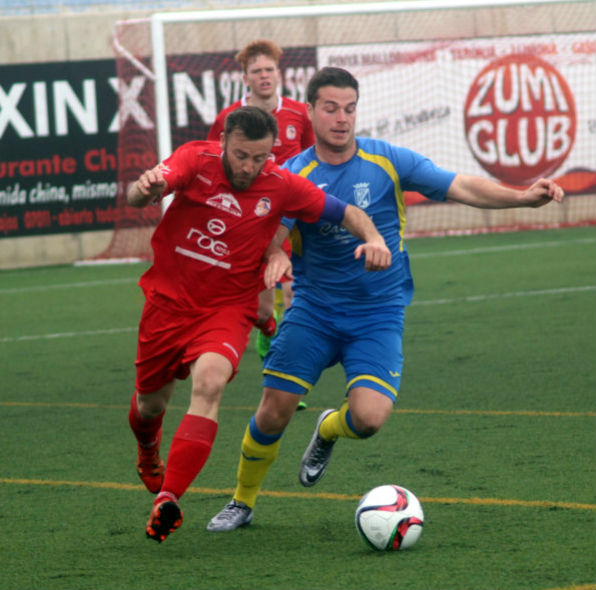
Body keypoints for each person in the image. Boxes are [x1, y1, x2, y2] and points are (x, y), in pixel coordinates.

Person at [206, 66, 566, 532]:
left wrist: (521, 197)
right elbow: (274, 235)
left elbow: (459, 184)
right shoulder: (294, 173)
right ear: (310, 111)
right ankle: (242, 501)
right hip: (315, 310)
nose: (342, 118)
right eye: (331, 108)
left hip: (377, 314)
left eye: (350, 109)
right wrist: (274, 258)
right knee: (273, 408)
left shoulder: (386, 160)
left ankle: (327, 429)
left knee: (369, 418)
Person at [126, 105, 391, 543]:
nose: (249, 166)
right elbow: (144, 194)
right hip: (168, 304)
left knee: (209, 384)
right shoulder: (196, 158)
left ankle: (168, 498)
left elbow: (346, 213)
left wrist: (375, 238)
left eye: (260, 158)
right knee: (150, 406)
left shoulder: (282, 184)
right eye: (241, 155)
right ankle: (148, 445)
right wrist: (144, 188)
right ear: (225, 142)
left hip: (227, 309)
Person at [208, 40, 315, 368]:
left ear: (278, 73)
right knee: (264, 310)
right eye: (257, 71)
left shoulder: (298, 112)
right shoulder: (230, 118)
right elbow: (213, 162)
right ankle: (267, 332)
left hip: (293, 218)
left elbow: (313, 160)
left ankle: (286, 374)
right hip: (254, 221)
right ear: (245, 78)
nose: (264, 75)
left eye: (269, 69)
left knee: (297, 299)